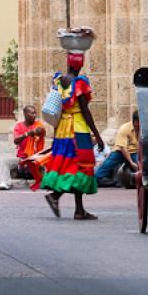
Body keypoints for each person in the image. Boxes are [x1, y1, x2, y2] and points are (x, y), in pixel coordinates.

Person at [41, 51, 104, 219]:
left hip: (62, 129)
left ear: (68, 64)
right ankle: (56, 197)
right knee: (80, 166)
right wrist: (97, 135)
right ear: (80, 66)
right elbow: (85, 110)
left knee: (66, 164)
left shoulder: (59, 80)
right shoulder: (80, 83)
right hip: (77, 129)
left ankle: (79, 210)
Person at [0, 105, 46, 190]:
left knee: (49, 161)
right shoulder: (18, 126)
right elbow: (16, 140)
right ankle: (4, 183)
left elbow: (41, 131)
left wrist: (38, 131)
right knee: (4, 161)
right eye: (32, 113)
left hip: (35, 160)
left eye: (35, 113)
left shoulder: (38, 125)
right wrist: (27, 134)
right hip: (21, 159)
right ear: (25, 114)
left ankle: (49, 182)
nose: (35, 115)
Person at [95, 111, 139, 186]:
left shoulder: (145, 128)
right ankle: (97, 178)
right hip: (120, 152)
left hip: (135, 152)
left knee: (143, 166)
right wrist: (131, 162)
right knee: (106, 166)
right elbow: (123, 148)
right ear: (136, 122)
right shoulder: (124, 128)